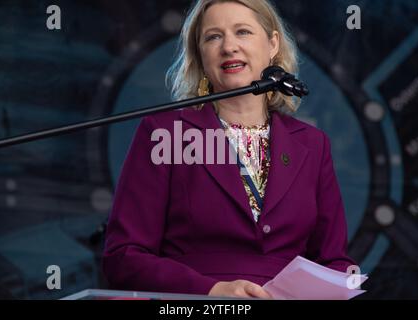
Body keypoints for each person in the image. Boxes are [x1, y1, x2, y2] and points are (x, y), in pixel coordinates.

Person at [102, 0, 356, 299]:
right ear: (200, 54)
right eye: (213, 36)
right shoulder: (164, 134)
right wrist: (211, 290)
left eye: (243, 32)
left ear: (272, 43)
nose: (229, 46)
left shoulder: (313, 144)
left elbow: (335, 262)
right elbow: (124, 256)